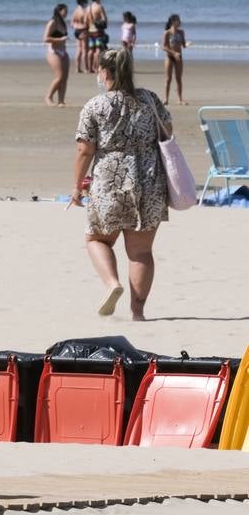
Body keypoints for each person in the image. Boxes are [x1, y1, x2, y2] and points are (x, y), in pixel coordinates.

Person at [70, 48, 172, 321]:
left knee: (96, 238)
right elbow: (168, 131)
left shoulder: (96, 105)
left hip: (110, 179)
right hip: (149, 180)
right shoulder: (149, 99)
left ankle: (112, 283)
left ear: (104, 72)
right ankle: (137, 313)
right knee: (141, 252)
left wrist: (76, 186)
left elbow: (85, 150)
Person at [44, 3, 70, 107]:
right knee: (59, 77)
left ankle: (61, 101)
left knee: (65, 77)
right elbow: (45, 38)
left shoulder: (62, 23)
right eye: (65, 11)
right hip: (54, 52)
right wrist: (60, 39)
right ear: (59, 11)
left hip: (63, 51)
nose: (67, 13)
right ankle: (48, 97)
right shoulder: (52, 22)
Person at [162, 15, 189, 106]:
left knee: (178, 79)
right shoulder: (167, 33)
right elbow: (164, 47)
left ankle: (180, 99)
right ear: (173, 22)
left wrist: (187, 44)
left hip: (179, 57)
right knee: (168, 79)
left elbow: (183, 45)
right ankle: (166, 99)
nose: (180, 22)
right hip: (169, 57)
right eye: (178, 20)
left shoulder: (181, 32)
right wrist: (174, 53)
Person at [87, 0, 109, 72]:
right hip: (98, 32)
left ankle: (89, 68)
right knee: (98, 50)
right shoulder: (99, 7)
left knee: (90, 50)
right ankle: (95, 67)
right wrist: (105, 24)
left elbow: (86, 20)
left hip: (90, 31)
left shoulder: (88, 8)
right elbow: (104, 19)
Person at [70, 0, 90, 75]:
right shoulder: (84, 10)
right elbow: (86, 23)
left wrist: (76, 26)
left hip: (76, 31)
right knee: (85, 50)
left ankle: (78, 68)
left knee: (78, 50)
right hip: (83, 30)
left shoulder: (76, 10)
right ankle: (86, 68)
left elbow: (72, 23)